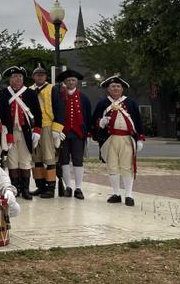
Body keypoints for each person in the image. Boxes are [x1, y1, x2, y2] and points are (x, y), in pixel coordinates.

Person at [92, 75, 145, 207]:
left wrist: (139, 138)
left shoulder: (130, 103)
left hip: (127, 139)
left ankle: (129, 195)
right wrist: (101, 122)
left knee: (127, 167)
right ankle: (116, 193)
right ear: (108, 89)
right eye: (113, 86)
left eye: (118, 86)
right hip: (110, 140)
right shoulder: (103, 103)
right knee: (112, 166)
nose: (116, 88)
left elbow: (138, 121)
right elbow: (95, 121)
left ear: (122, 89)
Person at [0, 66, 42, 200]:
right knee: (12, 162)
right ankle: (15, 188)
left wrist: (37, 131)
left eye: (20, 77)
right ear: (10, 79)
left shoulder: (30, 93)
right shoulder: (3, 94)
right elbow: (1, 115)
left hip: (25, 132)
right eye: (15, 76)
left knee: (25, 161)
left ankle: (26, 189)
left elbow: (37, 114)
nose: (17, 79)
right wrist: (6, 134)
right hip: (10, 133)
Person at [28, 63, 65, 199]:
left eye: (42, 75)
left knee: (49, 158)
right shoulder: (29, 90)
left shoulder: (52, 89)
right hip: (34, 127)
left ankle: (50, 187)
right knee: (36, 158)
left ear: (46, 77)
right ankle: (40, 185)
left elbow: (59, 108)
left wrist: (57, 128)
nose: (40, 77)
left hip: (48, 125)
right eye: (37, 75)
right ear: (33, 77)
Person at [57, 70, 92, 199]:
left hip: (78, 134)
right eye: (68, 80)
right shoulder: (60, 96)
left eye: (73, 80)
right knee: (64, 160)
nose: (71, 82)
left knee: (78, 160)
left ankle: (78, 187)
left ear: (76, 82)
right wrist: (57, 131)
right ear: (65, 82)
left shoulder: (84, 97)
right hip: (63, 134)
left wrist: (88, 132)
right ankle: (68, 187)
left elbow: (88, 116)